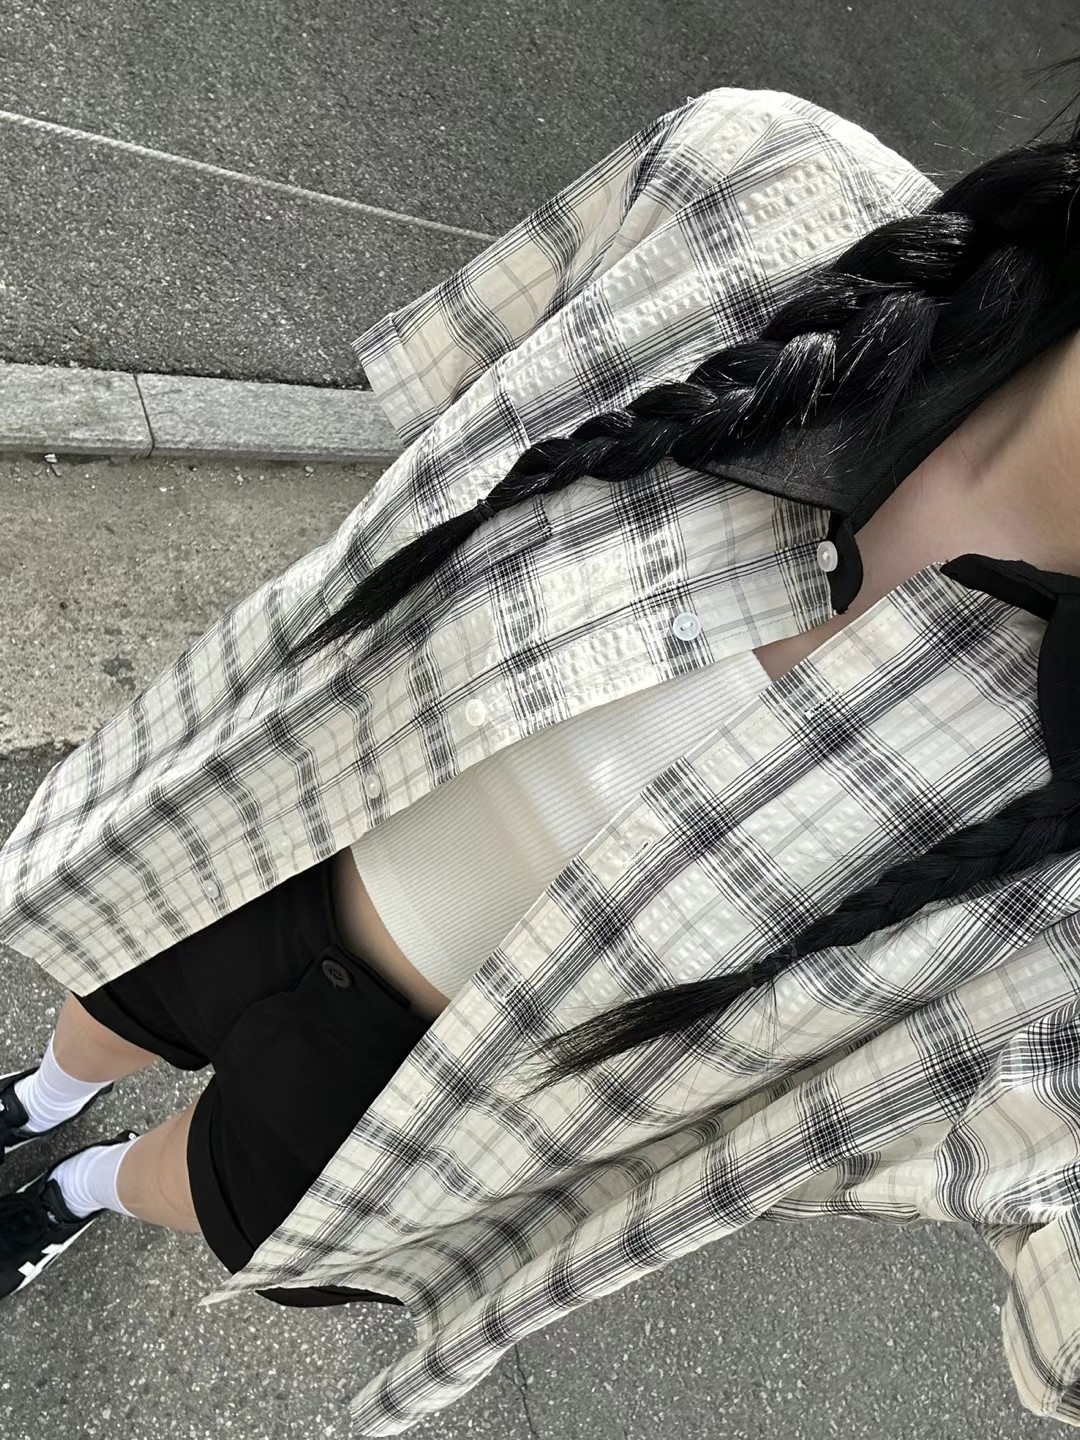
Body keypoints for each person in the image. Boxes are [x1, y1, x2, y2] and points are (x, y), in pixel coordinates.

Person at [4, 61, 1080, 1436]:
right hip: (280, 818)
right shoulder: (757, 185)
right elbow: (447, 423)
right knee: (109, 1000)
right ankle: (42, 1097)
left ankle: (75, 1191)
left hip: (433, 1114)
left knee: (209, 1188)